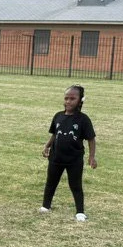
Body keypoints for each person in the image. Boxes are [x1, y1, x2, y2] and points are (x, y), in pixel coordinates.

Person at [40, 85, 97, 221]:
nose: (68, 101)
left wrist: (92, 157)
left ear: (80, 100)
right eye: (66, 98)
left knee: (75, 185)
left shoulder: (83, 119)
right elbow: (55, 134)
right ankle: (46, 206)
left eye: (72, 98)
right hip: (56, 158)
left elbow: (91, 139)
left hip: (74, 160)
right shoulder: (58, 116)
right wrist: (47, 146)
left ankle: (80, 211)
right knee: (51, 182)